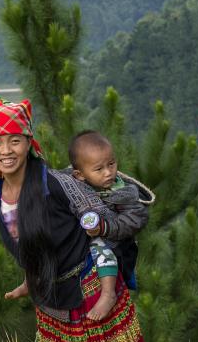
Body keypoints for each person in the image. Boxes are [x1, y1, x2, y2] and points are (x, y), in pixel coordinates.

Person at [0, 97, 148, 342]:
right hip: (50, 298)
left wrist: (107, 276)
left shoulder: (59, 185)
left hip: (90, 290)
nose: (6, 151)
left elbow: (109, 221)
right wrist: (29, 280)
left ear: (29, 142)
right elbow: (26, 247)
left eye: (14, 141)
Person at [66, 130, 154, 321]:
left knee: (99, 247)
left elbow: (136, 219)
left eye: (111, 164)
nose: (108, 172)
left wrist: (105, 227)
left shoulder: (122, 192)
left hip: (115, 244)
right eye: (99, 169)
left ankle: (108, 293)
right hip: (82, 240)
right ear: (79, 174)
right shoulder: (74, 185)